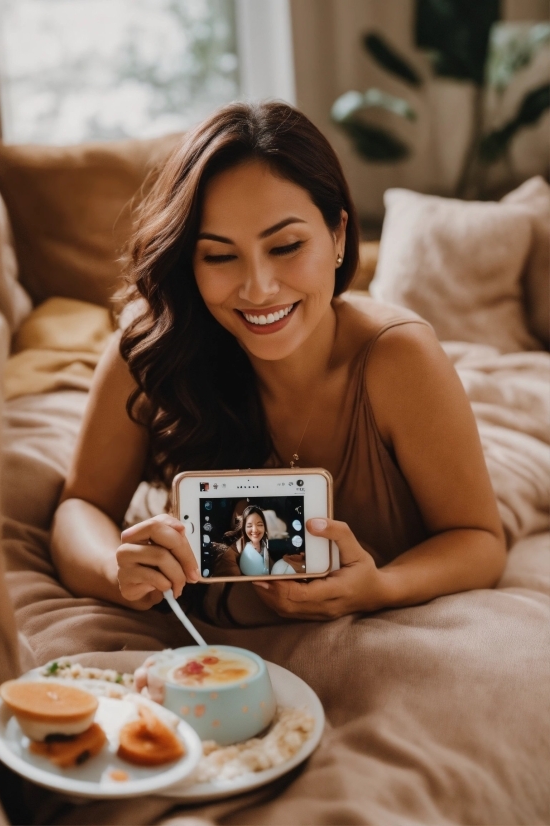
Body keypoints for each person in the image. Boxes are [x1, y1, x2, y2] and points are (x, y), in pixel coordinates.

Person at [50, 101, 506, 622]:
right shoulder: (151, 349)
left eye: (286, 246)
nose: (259, 289)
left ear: (337, 235)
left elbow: (480, 540)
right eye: (220, 256)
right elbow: (79, 506)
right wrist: (119, 570)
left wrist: (380, 587)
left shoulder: (400, 358)